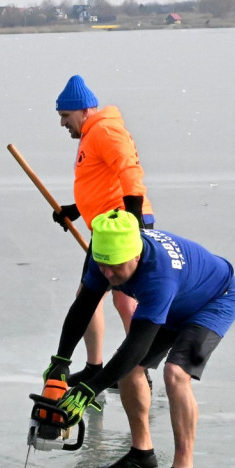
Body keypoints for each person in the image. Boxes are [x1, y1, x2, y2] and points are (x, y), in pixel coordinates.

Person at [43, 209, 235, 468]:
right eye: (103, 266)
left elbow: (137, 345)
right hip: (175, 302)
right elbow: (84, 305)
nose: (108, 275)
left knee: (175, 373)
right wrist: (61, 361)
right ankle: (141, 452)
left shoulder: (159, 276)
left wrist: (89, 389)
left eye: (116, 268)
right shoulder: (105, 254)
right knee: (131, 371)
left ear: (136, 256)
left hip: (212, 301)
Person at [47, 75, 156, 390]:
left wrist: (132, 224)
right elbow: (101, 180)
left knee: (112, 299)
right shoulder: (92, 133)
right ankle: (98, 366)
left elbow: (129, 171)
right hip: (110, 223)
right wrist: (76, 209)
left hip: (122, 225)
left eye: (65, 117)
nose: (63, 123)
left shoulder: (105, 130)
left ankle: (136, 369)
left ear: (82, 111)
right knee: (100, 299)